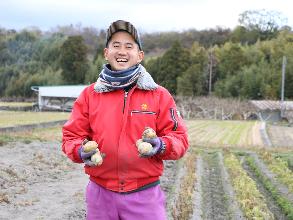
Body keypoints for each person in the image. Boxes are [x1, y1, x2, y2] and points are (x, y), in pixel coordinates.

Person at [62, 19, 189, 220]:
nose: (122, 51)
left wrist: (161, 145)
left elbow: (179, 138)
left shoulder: (159, 95)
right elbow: (71, 136)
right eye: (116, 45)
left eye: (129, 46)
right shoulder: (89, 95)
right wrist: (80, 150)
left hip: (145, 194)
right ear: (106, 53)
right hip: (100, 195)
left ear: (140, 56)